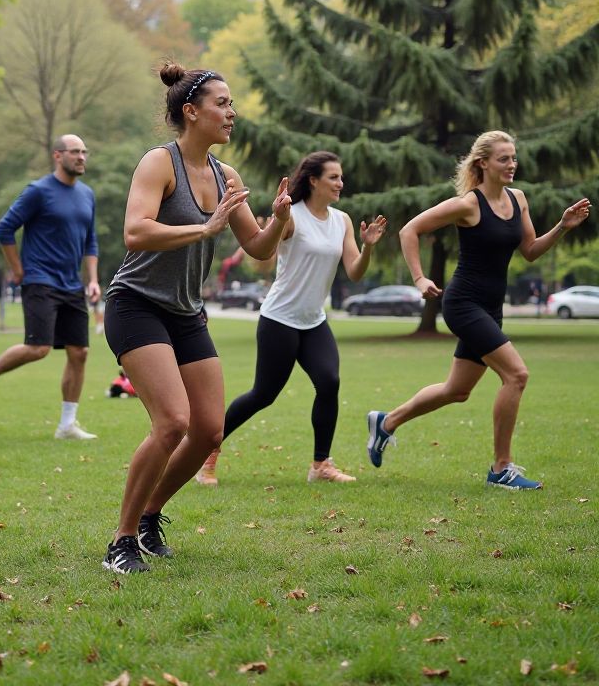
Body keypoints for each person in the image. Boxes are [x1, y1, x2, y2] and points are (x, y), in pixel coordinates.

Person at [100, 65, 292, 574]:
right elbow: (135, 232)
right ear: (192, 111)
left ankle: (149, 515)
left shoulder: (227, 175)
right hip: (136, 304)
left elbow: (257, 249)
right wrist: (202, 230)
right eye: (222, 103)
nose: (232, 113)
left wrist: (280, 220)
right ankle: (120, 543)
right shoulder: (159, 164)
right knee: (172, 422)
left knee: (208, 430)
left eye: (232, 104)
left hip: (186, 311)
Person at [368, 130, 591, 489]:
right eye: (504, 158)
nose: (512, 164)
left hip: (491, 307)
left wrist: (562, 227)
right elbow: (410, 230)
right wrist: (420, 278)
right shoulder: (468, 204)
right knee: (516, 376)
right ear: (483, 163)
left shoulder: (518, 200)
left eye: (514, 157)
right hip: (463, 303)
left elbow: (530, 250)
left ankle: (386, 421)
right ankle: (501, 468)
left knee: (457, 390)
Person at [196, 151, 387, 487]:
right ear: (313, 180)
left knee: (329, 382)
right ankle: (207, 454)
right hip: (279, 319)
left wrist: (368, 246)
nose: (341, 183)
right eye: (334, 177)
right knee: (263, 395)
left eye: (341, 177)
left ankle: (320, 465)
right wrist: (277, 219)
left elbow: (355, 272)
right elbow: (264, 255)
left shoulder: (341, 220)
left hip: (314, 321)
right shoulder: (292, 216)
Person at [0, 134, 102, 440]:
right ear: (57, 155)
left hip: (71, 284)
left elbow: (91, 242)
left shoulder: (87, 195)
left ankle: (67, 425)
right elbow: (4, 229)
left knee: (79, 352)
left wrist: (92, 279)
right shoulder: (38, 191)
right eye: (75, 152)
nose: (81, 157)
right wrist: (18, 269)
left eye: (84, 152)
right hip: (40, 279)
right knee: (39, 348)